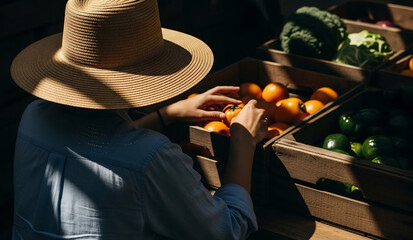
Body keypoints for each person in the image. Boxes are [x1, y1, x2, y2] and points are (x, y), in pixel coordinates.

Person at [11, 0, 267, 239]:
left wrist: (166, 114)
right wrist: (243, 143)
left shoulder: (33, 118)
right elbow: (228, 229)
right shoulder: (150, 157)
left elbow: (98, 148)